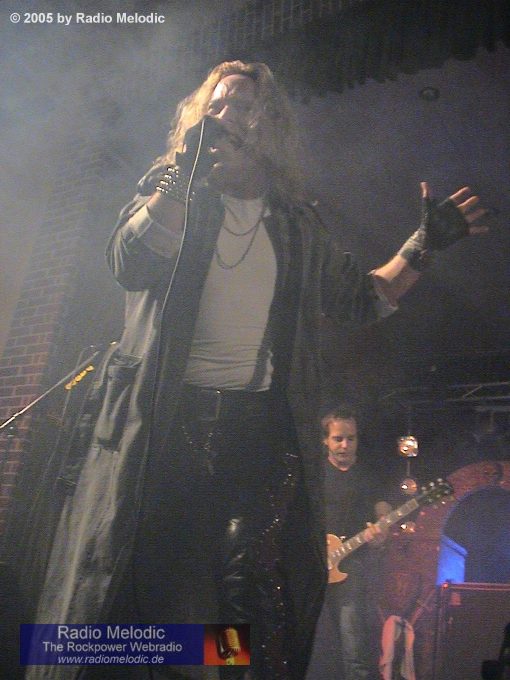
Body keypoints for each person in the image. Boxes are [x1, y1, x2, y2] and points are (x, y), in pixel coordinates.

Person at [28, 60, 487, 680]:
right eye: (215, 105)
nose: (224, 117)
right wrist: (182, 177)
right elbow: (130, 263)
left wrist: (422, 247)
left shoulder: (294, 223)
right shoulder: (170, 188)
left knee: (245, 603)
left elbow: (359, 299)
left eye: (241, 107)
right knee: (143, 591)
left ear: (268, 126)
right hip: (163, 424)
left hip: (254, 433)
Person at [305, 406, 392, 680]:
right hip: (314, 566)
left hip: (352, 565)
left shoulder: (368, 474)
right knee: (313, 644)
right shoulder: (314, 476)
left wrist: (382, 527)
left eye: (350, 438)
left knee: (354, 644)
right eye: (338, 438)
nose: (344, 445)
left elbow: (382, 506)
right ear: (325, 440)